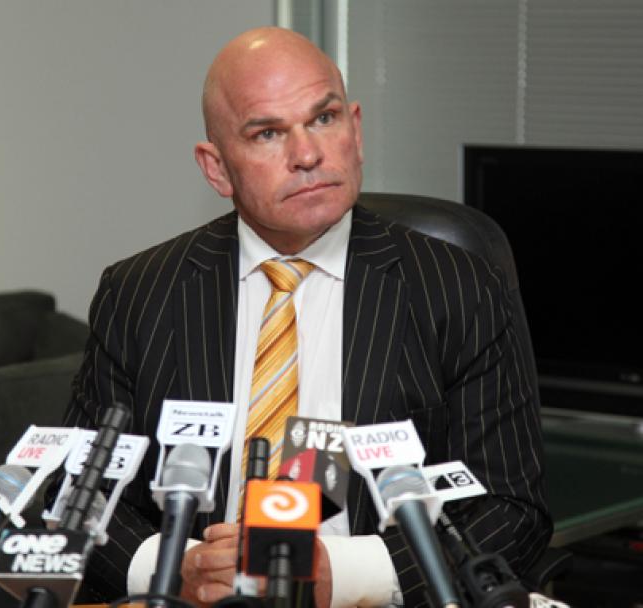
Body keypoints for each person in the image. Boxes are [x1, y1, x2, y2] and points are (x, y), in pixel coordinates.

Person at [59, 26, 552, 607]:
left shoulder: (458, 286)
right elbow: (79, 496)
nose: (308, 154)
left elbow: (512, 512)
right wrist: (175, 568)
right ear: (216, 169)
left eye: (324, 119)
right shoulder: (141, 293)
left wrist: (340, 574)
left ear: (356, 130)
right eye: (268, 133)